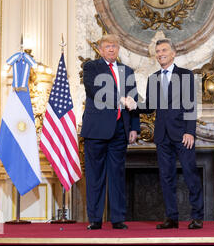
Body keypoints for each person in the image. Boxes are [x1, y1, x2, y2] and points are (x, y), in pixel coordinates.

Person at [124, 38, 204, 229]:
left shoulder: (186, 75)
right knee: (166, 177)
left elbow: (191, 106)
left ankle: (198, 216)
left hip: (183, 135)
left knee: (191, 174)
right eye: (158, 51)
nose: (160, 54)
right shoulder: (153, 78)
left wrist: (190, 132)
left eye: (164, 50)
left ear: (173, 53)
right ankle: (171, 218)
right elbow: (150, 106)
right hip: (161, 136)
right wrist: (135, 106)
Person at [80, 34, 140, 230]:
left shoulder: (127, 71)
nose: (111, 49)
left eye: (114, 46)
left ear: (118, 48)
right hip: (96, 131)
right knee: (95, 176)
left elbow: (132, 101)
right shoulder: (91, 67)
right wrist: (119, 100)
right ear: (100, 49)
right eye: (107, 46)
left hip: (120, 132)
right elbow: (94, 91)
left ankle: (117, 219)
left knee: (117, 176)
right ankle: (95, 220)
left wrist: (134, 127)